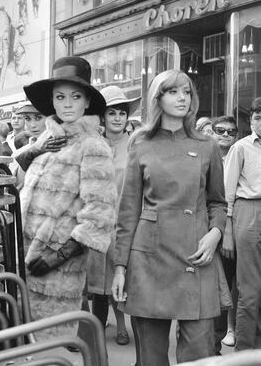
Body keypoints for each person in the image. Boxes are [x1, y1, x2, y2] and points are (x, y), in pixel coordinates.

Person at [112, 69, 228, 364]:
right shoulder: (140, 144)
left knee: (199, 353)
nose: (182, 98)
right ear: (157, 98)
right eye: (173, 91)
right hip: (150, 259)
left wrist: (216, 233)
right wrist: (120, 268)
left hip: (197, 254)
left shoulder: (207, 145)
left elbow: (217, 202)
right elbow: (128, 211)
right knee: (151, 357)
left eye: (187, 92)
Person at [17, 56, 117, 338]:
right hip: (24, 255)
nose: (68, 103)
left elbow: (100, 212)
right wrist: (36, 151)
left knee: (51, 343)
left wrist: (57, 256)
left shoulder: (93, 145)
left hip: (58, 267)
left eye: (75, 96)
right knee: (27, 343)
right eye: (60, 97)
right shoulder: (47, 139)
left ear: (87, 102)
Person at [87, 85, 141, 346]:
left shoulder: (135, 145)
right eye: (112, 113)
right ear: (103, 117)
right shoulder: (93, 144)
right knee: (97, 282)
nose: (117, 118)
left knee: (122, 276)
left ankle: (122, 325)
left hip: (124, 221)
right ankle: (95, 329)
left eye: (122, 113)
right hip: (97, 222)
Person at [223, 97, 261, 351]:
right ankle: (244, 351)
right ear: (251, 121)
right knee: (249, 287)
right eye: (258, 116)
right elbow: (227, 192)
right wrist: (227, 229)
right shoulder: (241, 148)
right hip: (249, 211)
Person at [211, 115, 239, 354]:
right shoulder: (205, 156)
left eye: (231, 131)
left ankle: (220, 338)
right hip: (208, 230)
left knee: (227, 286)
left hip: (234, 230)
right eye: (220, 130)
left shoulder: (240, 154)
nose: (226, 135)